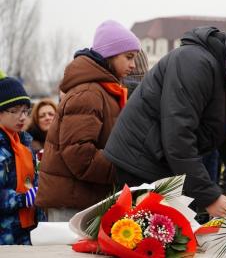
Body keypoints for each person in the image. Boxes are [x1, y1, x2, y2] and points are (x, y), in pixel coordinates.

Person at [104, 19, 226, 218]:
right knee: (150, 241)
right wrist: (209, 197)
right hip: (140, 164)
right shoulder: (194, 64)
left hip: (164, 165)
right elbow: (178, 136)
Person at [35, 20, 140, 221]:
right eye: (129, 57)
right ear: (110, 54)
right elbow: (80, 154)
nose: (133, 65)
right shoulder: (89, 93)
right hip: (72, 205)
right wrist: (122, 169)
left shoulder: (102, 90)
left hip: (81, 199)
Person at [0, 73, 44, 244]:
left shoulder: (24, 143)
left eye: (25, 110)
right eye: (14, 111)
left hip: (29, 231)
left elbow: (32, 184)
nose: (22, 117)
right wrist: (23, 198)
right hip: (6, 237)